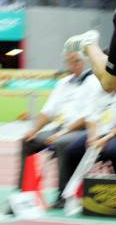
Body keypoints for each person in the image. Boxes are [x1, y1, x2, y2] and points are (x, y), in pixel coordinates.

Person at [17, 50, 96, 208]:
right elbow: (48, 111)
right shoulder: (63, 83)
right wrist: (34, 129)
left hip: (83, 131)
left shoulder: (94, 82)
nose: (71, 65)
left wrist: (62, 133)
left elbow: (89, 117)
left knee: (61, 143)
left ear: (84, 62)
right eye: (69, 62)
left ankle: (63, 196)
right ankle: (24, 192)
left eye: (75, 61)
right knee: (27, 141)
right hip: (61, 128)